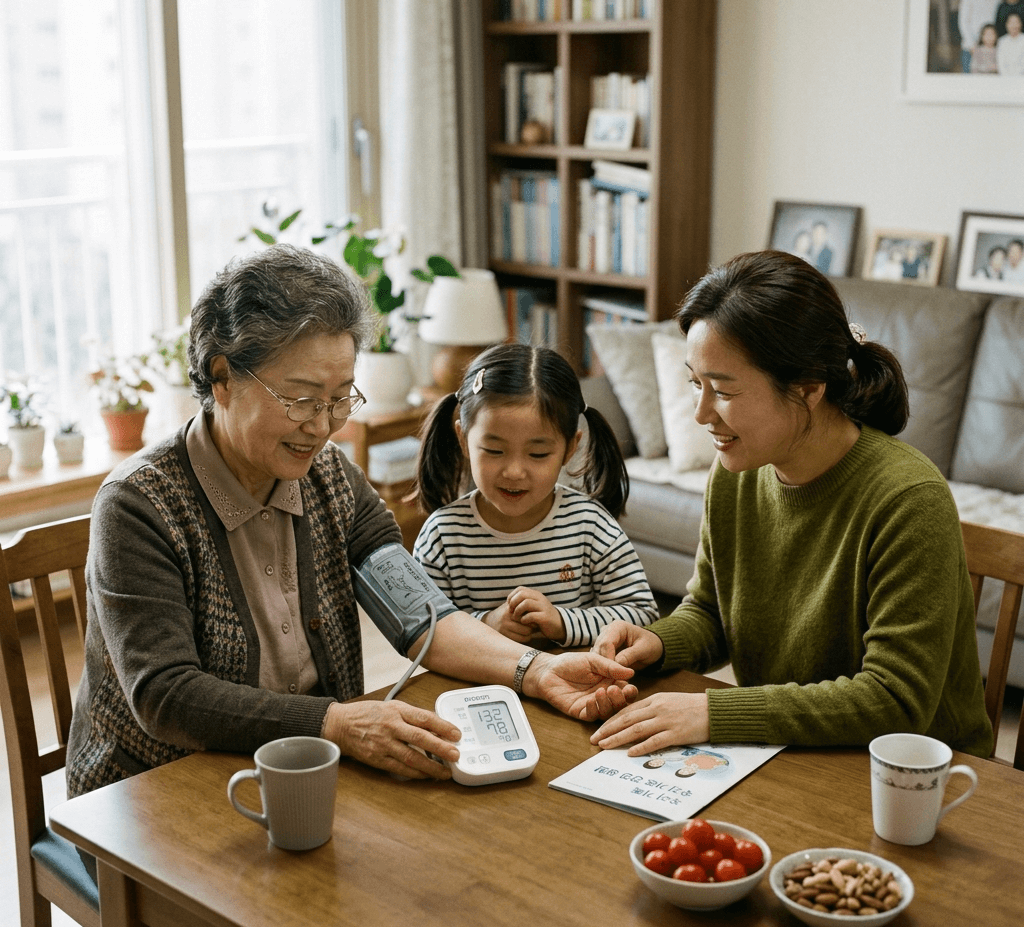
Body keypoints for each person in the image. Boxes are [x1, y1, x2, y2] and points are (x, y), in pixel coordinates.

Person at [67, 246, 638, 813]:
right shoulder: (139, 505)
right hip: (156, 795)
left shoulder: (331, 478)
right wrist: (335, 722)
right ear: (222, 377)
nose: (322, 427)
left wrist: (538, 670)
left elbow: (423, 616)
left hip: (311, 775)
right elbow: (166, 695)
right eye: (301, 399)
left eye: (340, 398)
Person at [585, 250, 993, 758]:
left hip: (921, 774)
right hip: (792, 750)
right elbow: (712, 611)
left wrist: (714, 713)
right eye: (695, 384)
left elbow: (894, 698)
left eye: (723, 391)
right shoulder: (734, 475)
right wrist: (659, 642)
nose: (701, 413)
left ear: (808, 389)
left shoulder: (908, 499)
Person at [413, 343, 659, 648]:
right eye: (494, 450)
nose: (515, 471)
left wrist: (562, 622)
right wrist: (485, 624)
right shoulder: (442, 537)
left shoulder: (590, 525)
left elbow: (643, 615)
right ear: (463, 439)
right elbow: (422, 631)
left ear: (569, 448)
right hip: (478, 679)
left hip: (572, 676)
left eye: (538, 454)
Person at [958, 0, 1000, 72]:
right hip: (970, 48)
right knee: (969, 81)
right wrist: (972, 46)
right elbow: (963, 22)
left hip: (991, 49)